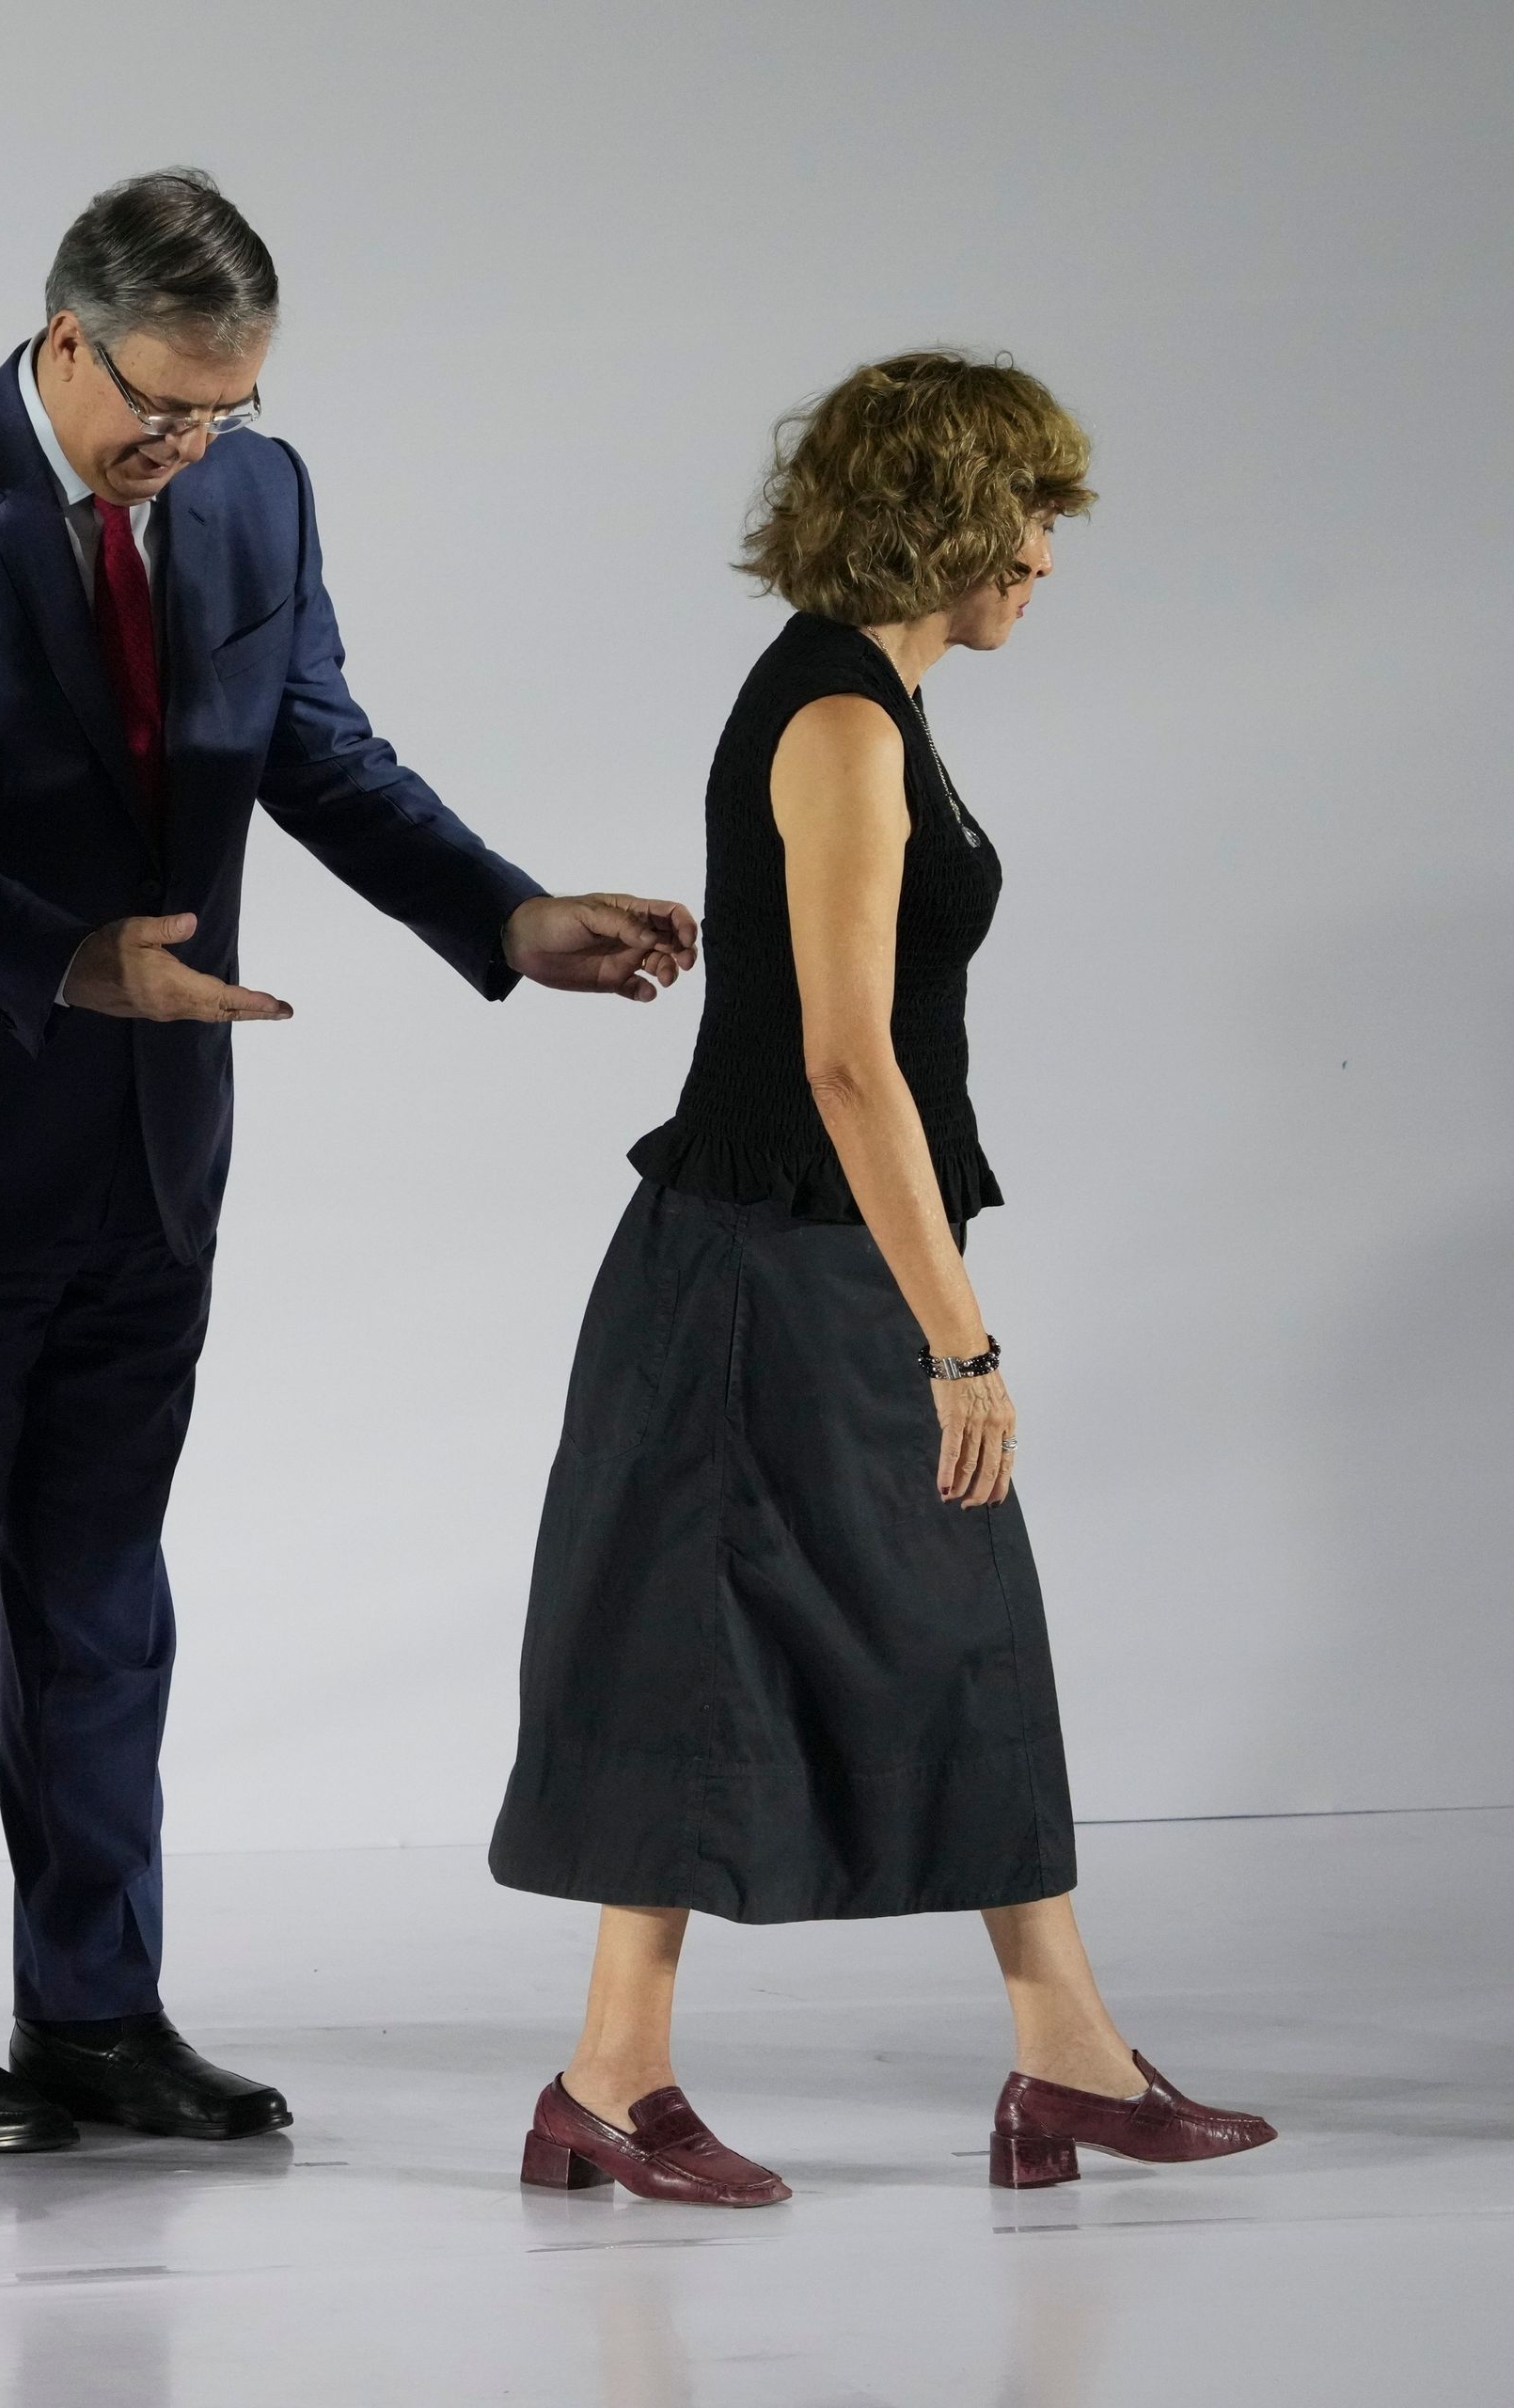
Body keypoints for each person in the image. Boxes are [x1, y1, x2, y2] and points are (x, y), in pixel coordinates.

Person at [0, 167, 700, 2155]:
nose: (189, 450)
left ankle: (98, 2010)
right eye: (161, 410)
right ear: (64, 336)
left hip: (152, 1145)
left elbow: (320, 750)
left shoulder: (256, 498)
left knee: (107, 1599)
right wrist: (66, 960)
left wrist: (508, 917)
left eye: (228, 412)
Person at [485, 352, 1277, 2203]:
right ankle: (634, 2077)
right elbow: (853, 1061)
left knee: (925, 1620)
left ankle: (1030, 2053)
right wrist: (963, 1336)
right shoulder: (839, 717)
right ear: (942, 510)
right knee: (752, 1635)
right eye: (1034, 513)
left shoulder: (862, 707)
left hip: (789, 1253)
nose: (1049, 556)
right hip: (775, 1267)